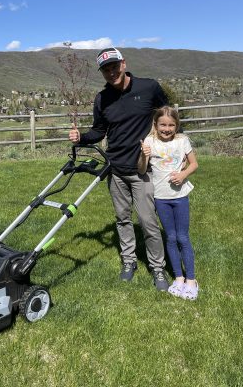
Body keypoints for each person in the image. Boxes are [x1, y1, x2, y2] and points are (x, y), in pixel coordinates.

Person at [69, 47, 169, 291]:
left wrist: (171, 146)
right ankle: (129, 261)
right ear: (102, 73)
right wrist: (80, 137)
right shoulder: (102, 99)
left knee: (148, 221)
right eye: (106, 69)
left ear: (123, 64)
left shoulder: (148, 87)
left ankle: (157, 268)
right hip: (115, 170)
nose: (111, 72)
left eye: (114, 66)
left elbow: (166, 116)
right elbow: (99, 131)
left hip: (142, 170)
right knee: (123, 219)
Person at [138, 106, 199, 300]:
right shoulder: (149, 141)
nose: (167, 128)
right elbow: (141, 170)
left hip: (180, 197)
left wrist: (183, 174)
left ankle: (191, 280)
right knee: (171, 238)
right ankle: (178, 278)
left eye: (171, 125)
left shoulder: (182, 141)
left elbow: (194, 164)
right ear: (155, 124)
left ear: (176, 125)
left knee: (182, 237)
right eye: (163, 124)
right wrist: (143, 154)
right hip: (161, 198)